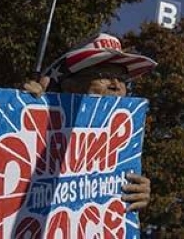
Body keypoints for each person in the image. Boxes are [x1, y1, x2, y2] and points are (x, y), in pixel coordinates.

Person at [23, 32, 158, 212]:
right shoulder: (32, 128)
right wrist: (17, 112)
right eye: (104, 75)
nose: (116, 85)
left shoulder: (124, 147)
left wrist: (139, 194)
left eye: (123, 79)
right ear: (70, 85)